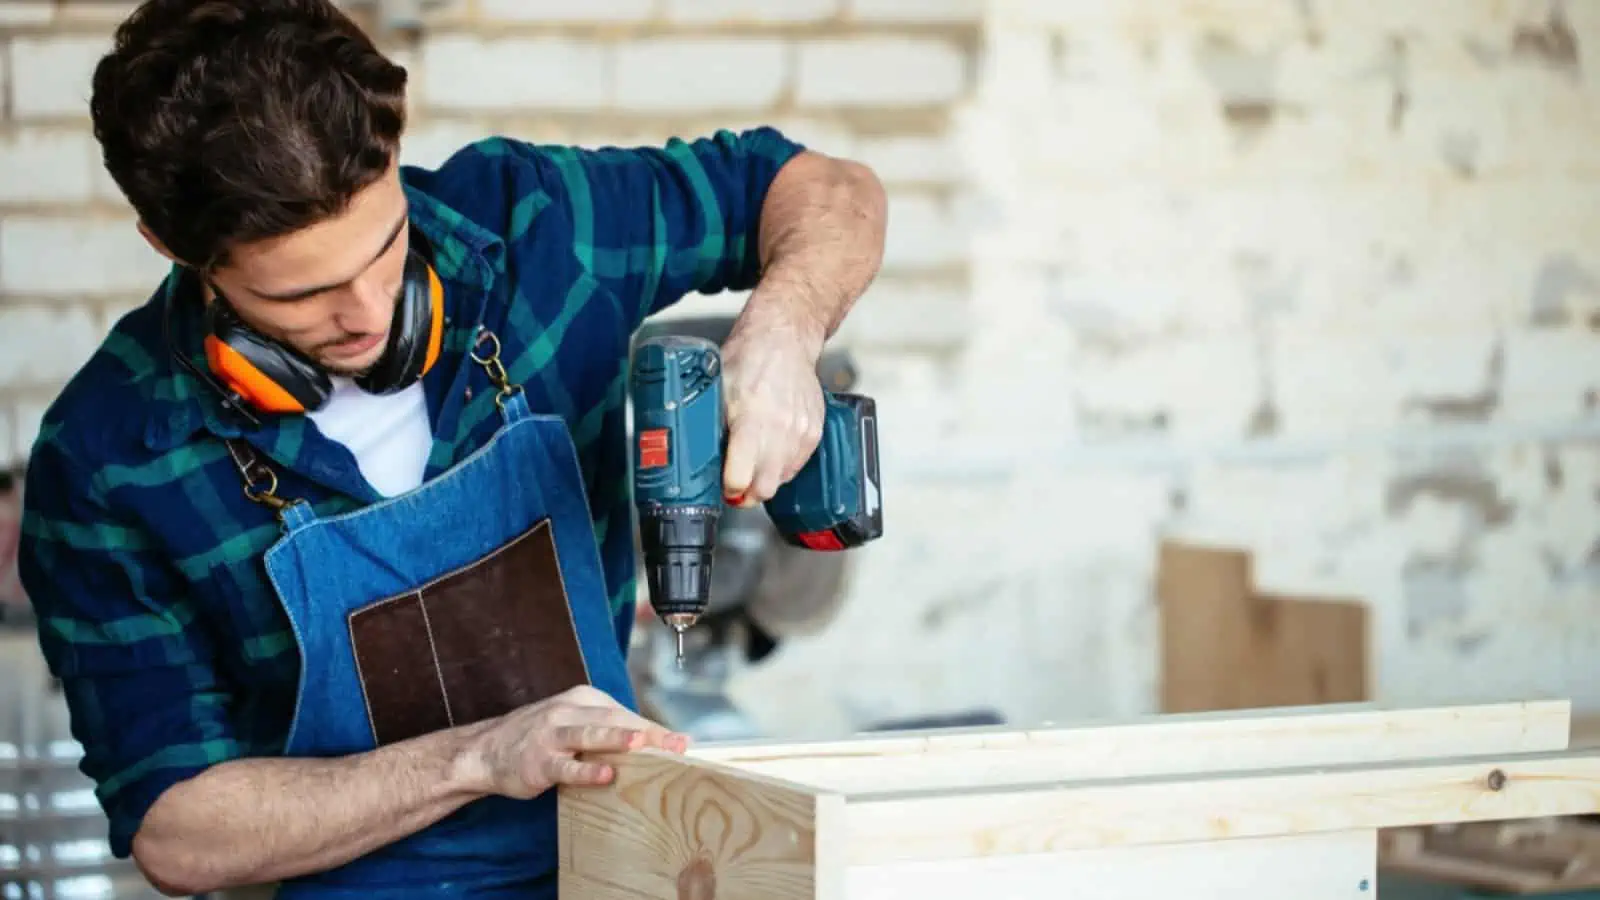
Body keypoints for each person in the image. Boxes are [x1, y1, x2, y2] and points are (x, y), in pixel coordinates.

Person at [15, 0, 887, 897]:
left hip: (617, 859)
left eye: (386, 247)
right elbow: (178, 832)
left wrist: (782, 335)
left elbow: (830, 190)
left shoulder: (532, 231)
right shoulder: (108, 459)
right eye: (302, 295)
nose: (367, 314)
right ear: (172, 247)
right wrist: (478, 757)